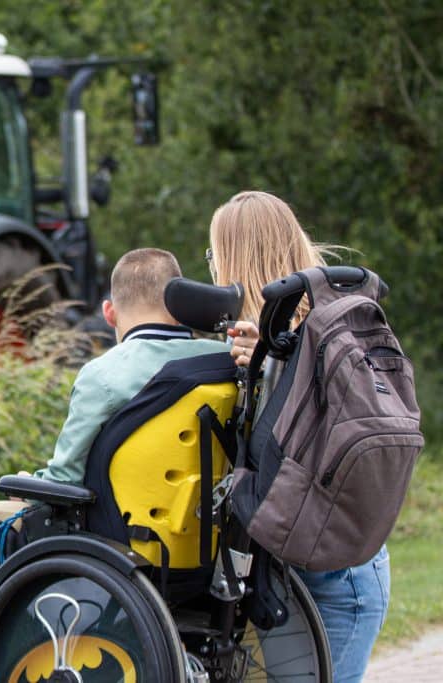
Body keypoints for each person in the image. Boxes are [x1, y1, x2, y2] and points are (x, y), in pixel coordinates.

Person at [0, 247, 229, 624]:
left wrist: (29, 485)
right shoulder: (223, 361)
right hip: (209, 547)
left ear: (109, 313)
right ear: (180, 304)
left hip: (123, 545)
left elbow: (65, 477)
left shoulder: (103, 375)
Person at [208, 190, 390, 683]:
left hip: (340, 577)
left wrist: (270, 362)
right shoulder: (272, 339)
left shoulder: (322, 336)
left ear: (234, 257)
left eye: (213, 255)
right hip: (300, 573)